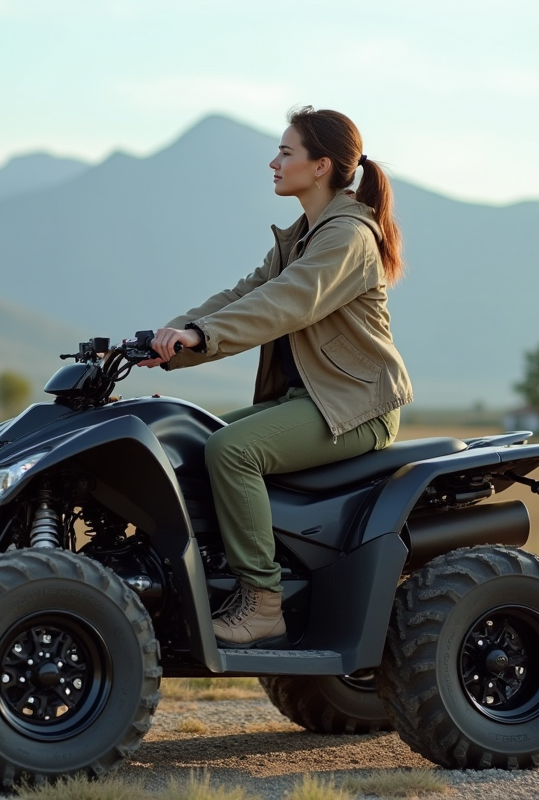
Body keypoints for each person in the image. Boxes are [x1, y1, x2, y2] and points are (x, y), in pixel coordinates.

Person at [144, 106, 414, 648]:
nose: (274, 162)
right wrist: (167, 336)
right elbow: (242, 294)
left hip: (356, 406)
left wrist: (201, 335)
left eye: (286, 152)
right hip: (312, 399)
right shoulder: (301, 236)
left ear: (321, 166)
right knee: (188, 441)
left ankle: (263, 603)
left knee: (232, 451)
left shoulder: (348, 237)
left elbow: (287, 302)